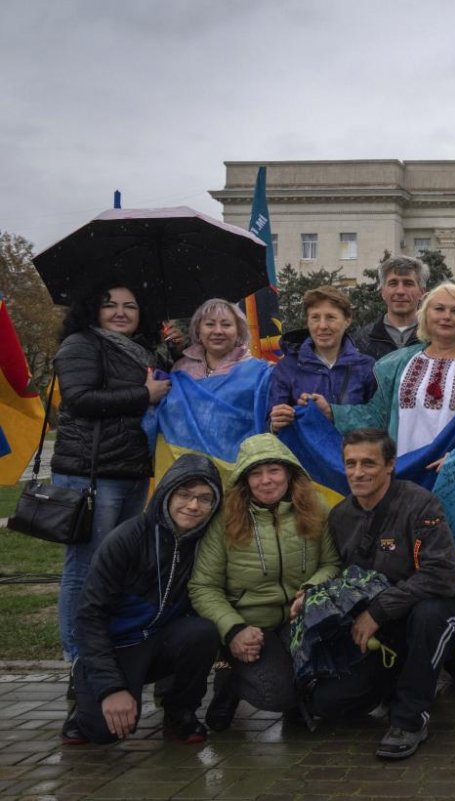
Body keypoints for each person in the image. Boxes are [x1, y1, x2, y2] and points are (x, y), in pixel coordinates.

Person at [303, 429, 455, 761]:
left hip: (435, 616)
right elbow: (336, 572)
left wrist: (379, 611)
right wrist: (310, 595)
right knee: (329, 703)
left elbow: (442, 575)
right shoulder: (340, 516)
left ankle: (409, 720)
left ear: (390, 465)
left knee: (428, 615)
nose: (358, 472)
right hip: (380, 632)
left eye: (369, 463)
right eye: (350, 463)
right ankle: (402, 681)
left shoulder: (420, 503)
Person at [63, 454, 223, 745]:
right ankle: (85, 683)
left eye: (204, 498)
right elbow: (89, 617)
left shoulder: (207, 541)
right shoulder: (127, 538)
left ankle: (179, 711)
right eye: (184, 494)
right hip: (118, 643)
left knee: (203, 633)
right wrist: (110, 688)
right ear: (166, 492)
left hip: (161, 638)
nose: (193, 505)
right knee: (103, 733)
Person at [51, 283, 171, 664]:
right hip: (92, 473)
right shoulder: (81, 344)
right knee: (85, 568)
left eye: (130, 306)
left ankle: (106, 650)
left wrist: (176, 352)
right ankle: (78, 659)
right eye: (110, 305)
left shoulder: (138, 351)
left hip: (131, 471)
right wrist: (143, 395)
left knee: (116, 567)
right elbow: (80, 399)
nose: (121, 312)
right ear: (93, 310)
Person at [188, 434, 341, 730]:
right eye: (255, 473)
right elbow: (203, 586)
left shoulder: (316, 508)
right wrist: (233, 630)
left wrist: (310, 590)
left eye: (273, 470)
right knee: (276, 693)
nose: (266, 480)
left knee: (332, 682)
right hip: (250, 623)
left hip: (299, 617)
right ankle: (228, 677)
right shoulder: (224, 519)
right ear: (244, 480)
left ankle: (299, 698)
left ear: (289, 472)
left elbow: (331, 563)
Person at [321, 282, 455, 456]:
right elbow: (376, 417)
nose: (446, 316)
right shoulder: (396, 364)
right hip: (405, 471)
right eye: (439, 309)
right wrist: (331, 412)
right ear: (425, 316)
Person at [268, 286, 376, 432]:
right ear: (307, 321)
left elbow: (378, 418)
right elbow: (270, 423)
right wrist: (275, 423)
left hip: (355, 453)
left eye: (330, 317)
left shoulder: (367, 367)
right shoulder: (287, 367)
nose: (322, 326)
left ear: (347, 320)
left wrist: (332, 413)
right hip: (304, 454)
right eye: (315, 317)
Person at [353, 255, 428, 360]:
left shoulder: (433, 338)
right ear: (382, 292)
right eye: (393, 284)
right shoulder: (361, 341)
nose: (400, 291)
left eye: (408, 283)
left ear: (422, 292)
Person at [171, 299, 256, 379]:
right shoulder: (181, 369)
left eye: (226, 325)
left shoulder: (253, 371)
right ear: (198, 330)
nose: (218, 331)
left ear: (239, 331)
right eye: (210, 324)